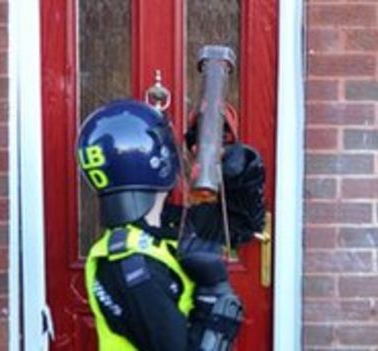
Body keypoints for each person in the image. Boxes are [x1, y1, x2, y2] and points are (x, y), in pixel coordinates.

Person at [76, 99, 265, 351]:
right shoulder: (131, 265)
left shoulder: (167, 227)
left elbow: (243, 224)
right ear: (161, 160)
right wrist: (213, 292)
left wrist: (238, 169)